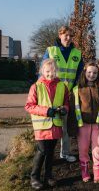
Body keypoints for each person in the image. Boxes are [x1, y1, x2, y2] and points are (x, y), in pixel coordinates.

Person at [25, 59, 69, 190]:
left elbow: (67, 102)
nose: (50, 74)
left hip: (55, 125)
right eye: (47, 71)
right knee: (42, 150)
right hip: (42, 126)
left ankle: (48, 176)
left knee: (50, 153)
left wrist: (65, 109)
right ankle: (35, 177)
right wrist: (46, 111)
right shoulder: (36, 86)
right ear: (42, 71)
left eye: (53, 71)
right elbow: (29, 106)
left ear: (57, 71)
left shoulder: (62, 85)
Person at [42, 25, 83, 163]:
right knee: (49, 126)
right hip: (50, 94)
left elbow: (80, 76)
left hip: (67, 95)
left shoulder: (77, 54)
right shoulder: (51, 51)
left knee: (64, 127)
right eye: (66, 35)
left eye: (71, 36)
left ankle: (64, 153)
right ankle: (46, 155)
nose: (68, 38)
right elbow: (42, 72)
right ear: (60, 35)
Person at [68, 61, 99, 183]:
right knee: (83, 149)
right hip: (82, 125)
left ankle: (98, 174)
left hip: (98, 126)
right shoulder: (77, 89)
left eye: (94, 72)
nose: (92, 75)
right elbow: (72, 110)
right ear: (84, 73)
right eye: (89, 72)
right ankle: (85, 172)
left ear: (98, 73)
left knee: (98, 148)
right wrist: (72, 128)